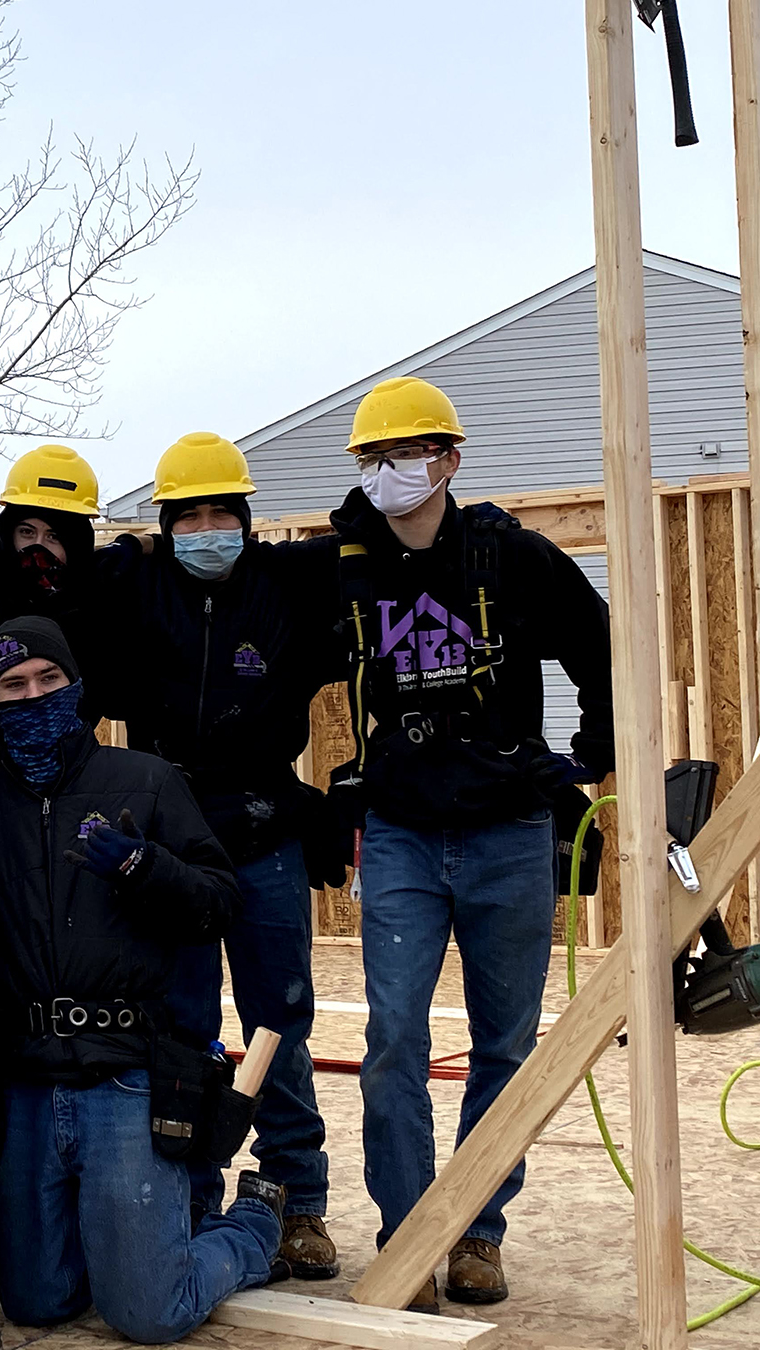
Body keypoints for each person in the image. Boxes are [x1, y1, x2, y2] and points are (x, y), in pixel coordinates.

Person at [311, 376, 614, 1310]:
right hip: (401, 833)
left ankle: (477, 1230)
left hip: (508, 832)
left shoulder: (510, 556)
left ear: (448, 459)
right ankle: (410, 1236)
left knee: (505, 1046)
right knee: (394, 1038)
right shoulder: (345, 568)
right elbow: (269, 659)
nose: (390, 472)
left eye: (407, 454)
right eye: (374, 459)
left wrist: (591, 762)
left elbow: (597, 641)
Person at [0, 616, 283, 1344]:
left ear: (77, 686)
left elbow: (220, 901)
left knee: (150, 1312)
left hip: (124, 1076)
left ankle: (254, 1221)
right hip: (28, 1081)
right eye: (13, 686)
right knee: (35, 1299)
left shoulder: (145, 784)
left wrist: (144, 866)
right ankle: (130, 1239)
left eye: (49, 680)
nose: (34, 697)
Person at [104, 432, 338, 1279]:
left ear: (245, 519)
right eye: (189, 515)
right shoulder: (137, 592)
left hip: (265, 831)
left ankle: (298, 1199)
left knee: (280, 1021)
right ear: (167, 525)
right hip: (173, 843)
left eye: (221, 513)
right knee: (184, 1026)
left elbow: (365, 572)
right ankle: (195, 1192)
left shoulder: (283, 587)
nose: (207, 528)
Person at [0, 445, 125, 806]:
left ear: (77, 544)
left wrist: (136, 544)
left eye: (54, 537)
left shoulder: (94, 608)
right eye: (26, 532)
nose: (38, 549)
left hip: (63, 794)